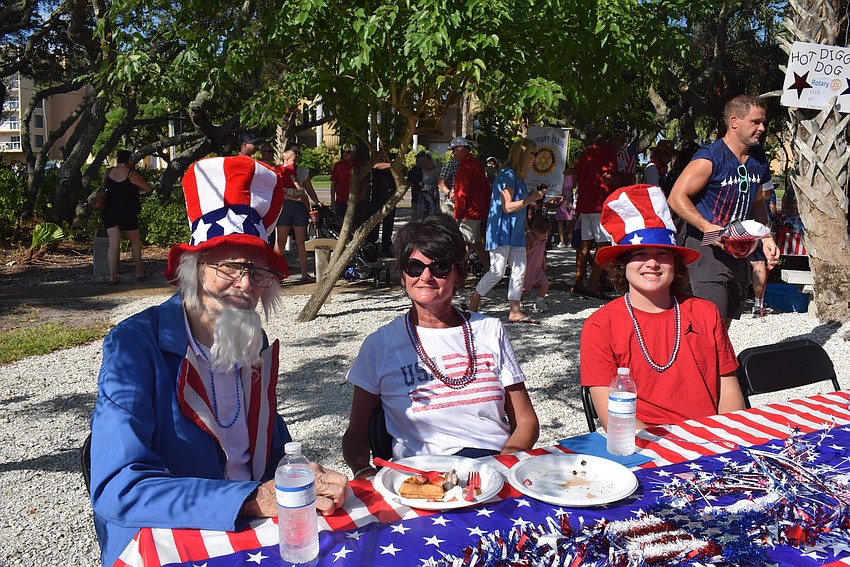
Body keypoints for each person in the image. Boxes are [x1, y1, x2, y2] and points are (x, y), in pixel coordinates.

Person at [88, 156, 348, 567]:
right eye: (230, 265)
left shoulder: (251, 337)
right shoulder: (134, 345)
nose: (246, 285)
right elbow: (120, 486)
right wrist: (252, 497)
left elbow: (270, 447)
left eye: (259, 271)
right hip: (168, 542)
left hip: (251, 534)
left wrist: (298, 473)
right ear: (195, 266)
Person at [341, 214, 539, 478]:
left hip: (493, 465)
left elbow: (526, 420)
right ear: (403, 275)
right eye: (414, 266)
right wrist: (365, 473)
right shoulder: (380, 345)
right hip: (420, 477)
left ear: (458, 275)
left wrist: (502, 465)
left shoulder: (489, 330)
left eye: (440, 267)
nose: (425, 276)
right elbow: (356, 435)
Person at [580, 184, 745, 429]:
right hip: (645, 448)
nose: (652, 263)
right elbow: (616, 421)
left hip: (712, 441)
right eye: (639, 254)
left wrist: (725, 440)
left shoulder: (705, 312)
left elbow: (730, 397)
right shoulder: (600, 326)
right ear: (621, 265)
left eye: (663, 254)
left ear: (676, 263)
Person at [668, 95, 779, 327]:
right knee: (709, 322)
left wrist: (766, 236)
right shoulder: (710, 157)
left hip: (740, 251)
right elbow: (676, 197)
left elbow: (758, 201)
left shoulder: (758, 159)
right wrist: (709, 228)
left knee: (725, 323)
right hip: (706, 248)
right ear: (734, 121)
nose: (762, 128)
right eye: (756, 122)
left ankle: (717, 364)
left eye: (763, 121)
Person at [467, 138, 544, 323]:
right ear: (524, 154)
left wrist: (527, 232)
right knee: (497, 271)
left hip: (515, 233)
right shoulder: (507, 174)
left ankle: (515, 311)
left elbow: (519, 209)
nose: (535, 158)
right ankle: (474, 299)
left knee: (519, 269)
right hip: (501, 231)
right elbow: (507, 207)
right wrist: (532, 197)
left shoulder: (518, 176)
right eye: (534, 154)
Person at [572, 130, 635, 300]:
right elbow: (607, 178)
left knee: (584, 247)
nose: (623, 143)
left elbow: (576, 175)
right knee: (603, 247)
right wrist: (625, 180)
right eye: (622, 138)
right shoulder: (609, 153)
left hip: (585, 204)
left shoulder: (587, 152)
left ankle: (578, 284)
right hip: (600, 204)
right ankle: (594, 287)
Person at [100, 149, 154, 285]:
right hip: (126, 212)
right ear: (129, 160)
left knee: (113, 244)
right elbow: (148, 188)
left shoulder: (108, 172)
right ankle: (140, 272)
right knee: (135, 242)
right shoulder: (131, 174)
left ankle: (112, 277)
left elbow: (103, 189)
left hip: (109, 212)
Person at [439, 136, 490, 271]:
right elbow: (485, 188)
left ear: (460, 148)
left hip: (469, 212)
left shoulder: (466, 166)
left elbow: (462, 193)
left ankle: (464, 271)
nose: (453, 153)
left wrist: (457, 215)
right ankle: (485, 269)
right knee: (472, 242)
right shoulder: (476, 163)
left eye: (454, 150)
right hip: (477, 210)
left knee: (466, 242)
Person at [276, 149, 321, 282]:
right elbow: (300, 190)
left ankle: (280, 273)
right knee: (291, 241)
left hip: (288, 205)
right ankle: (298, 273)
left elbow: (281, 191)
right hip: (292, 205)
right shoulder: (286, 171)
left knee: (288, 241)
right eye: (293, 159)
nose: (295, 162)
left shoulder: (280, 170)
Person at [523, 214, 551, 312]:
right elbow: (523, 254)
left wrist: (544, 261)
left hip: (538, 269)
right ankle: (517, 303)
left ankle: (539, 301)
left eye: (547, 234)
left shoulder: (543, 241)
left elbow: (542, 252)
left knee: (545, 284)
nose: (545, 236)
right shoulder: (530, 240)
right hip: (528, 269)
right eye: (543, 234)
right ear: (535, 230)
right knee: (523, 289)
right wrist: (528, 251)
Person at [555, 161, 577, 248]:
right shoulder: (572, 175)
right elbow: (574, 186)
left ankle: (562, 241)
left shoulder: (559, 175)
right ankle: (570, 241)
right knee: (568, 221)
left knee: (561, 222)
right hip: (568, 198)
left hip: (560, 198)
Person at [330, 145, 355, 220]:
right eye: (343, 152)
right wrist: (332, 200)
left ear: (353, 153)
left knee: (355, 223)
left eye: (348, 152)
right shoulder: (338, 165)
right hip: (341, 200)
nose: (345, 154)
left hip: (355, 200)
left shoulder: (358, 165)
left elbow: (364, 181)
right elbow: (333, 183)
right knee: (340, 221)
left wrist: (362, 193)